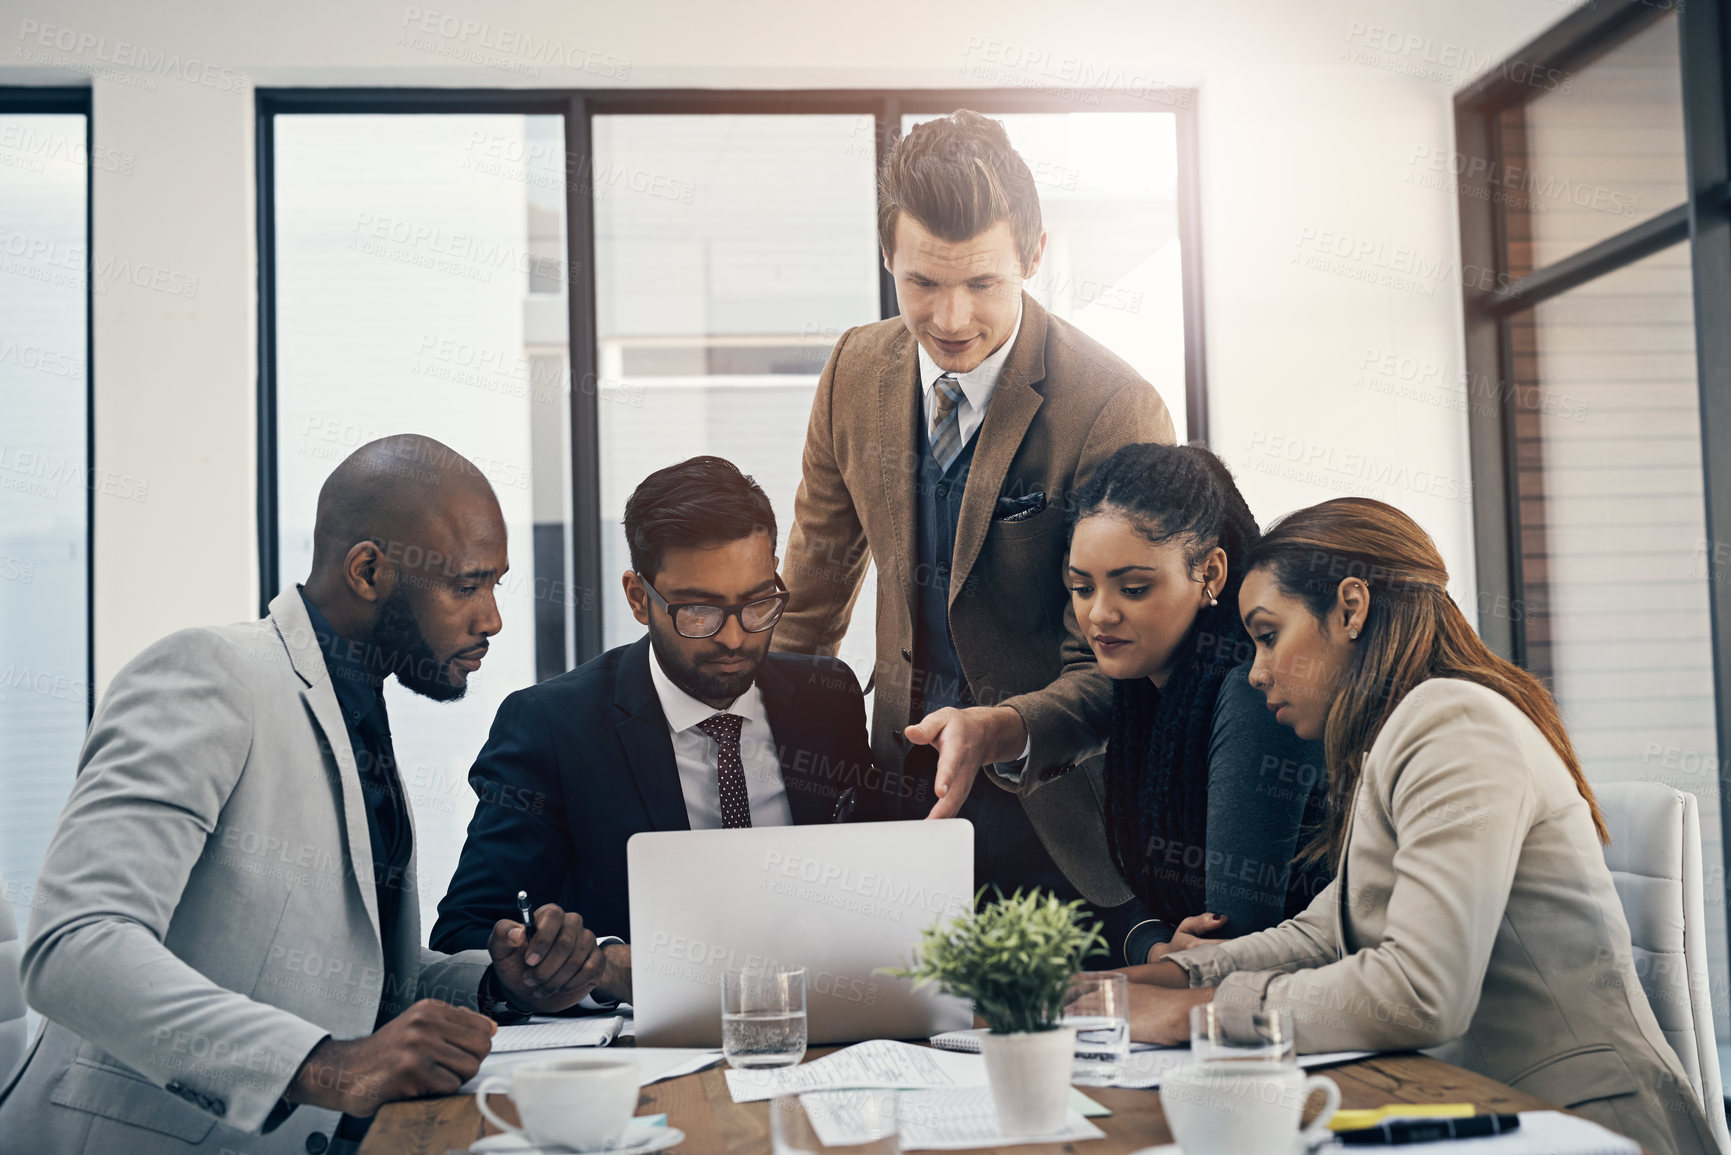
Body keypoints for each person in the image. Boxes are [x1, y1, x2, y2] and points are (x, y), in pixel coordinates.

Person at [0, 436, 607, 1155]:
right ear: (369, 570)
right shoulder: (211, 674)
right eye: (467, 585)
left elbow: (344, 979)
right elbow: (74, 947)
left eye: (496, 585)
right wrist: (324, 1064)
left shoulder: (357, 708)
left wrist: (495, 986)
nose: (492, 619)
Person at [1121, 497, 1716, 1155]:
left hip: (1588, 1125)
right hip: (1485, 1110)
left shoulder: (1451, 722)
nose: (1256, 670)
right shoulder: (1397, 737)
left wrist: (1196, 1014)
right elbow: (1327, 931)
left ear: (1350, 608)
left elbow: (1416, 990)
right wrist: (1169, 976)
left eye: (1268, 635)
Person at [775, 109, 1175, 945]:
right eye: (921, 282)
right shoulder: (853, 370)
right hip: (897, 807)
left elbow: (1123, 659)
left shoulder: (1113, 406)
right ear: (888, 254)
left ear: (1032, 257)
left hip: (1065, 823)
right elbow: (805, 612)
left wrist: (1002, 726)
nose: (951, 318)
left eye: (983, 284)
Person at [431, 456, 893, 1002]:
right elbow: (464, 934)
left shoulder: (827, 698)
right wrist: (597, 965)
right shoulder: (551, 726)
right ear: (637, 597)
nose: (734, 638)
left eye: (758, 603)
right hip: (646, 1047)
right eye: (699, 612)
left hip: (823, 1019)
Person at [990, 443, 1330, 967]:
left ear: (1210, 575)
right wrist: (1154, 947)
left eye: (1134, 588)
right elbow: (1150, 921)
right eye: (1081, 588)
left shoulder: (1254, 696)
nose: (1100, 615)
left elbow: (1227, 950)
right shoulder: (1147, 696)